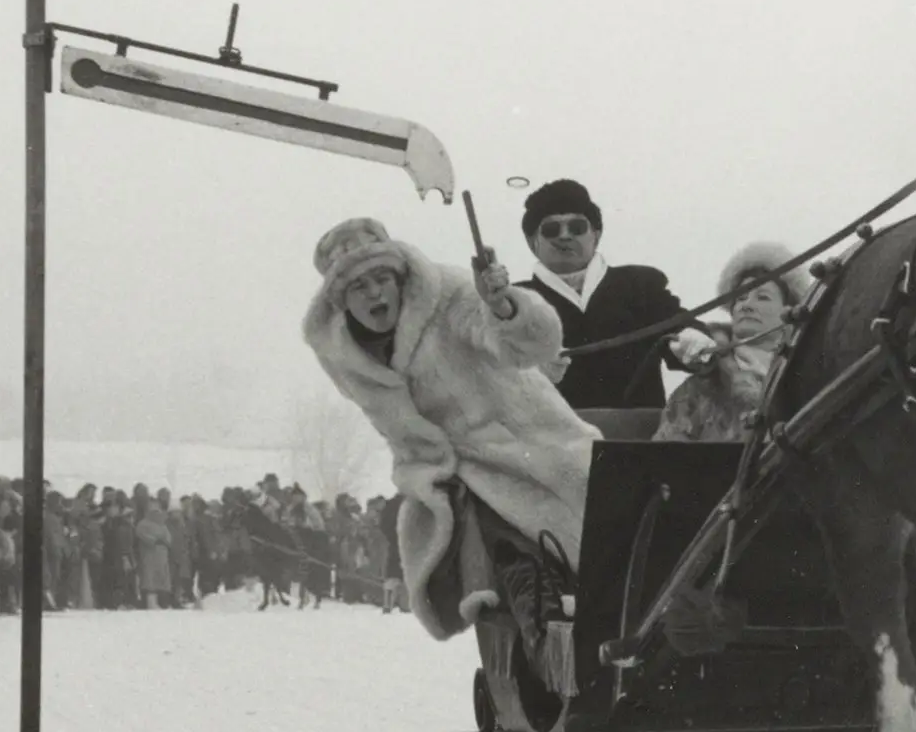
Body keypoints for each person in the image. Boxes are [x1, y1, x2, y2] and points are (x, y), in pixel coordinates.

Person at [302, 217, 597, 645]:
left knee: (544, 533)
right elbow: (395, 431)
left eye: (381, 278)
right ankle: (537, 634)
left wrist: (502, 306)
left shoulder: (449, 294)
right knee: (473, 539)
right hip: (450, 477)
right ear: (341, 300)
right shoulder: (344, 355)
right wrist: (424, 473)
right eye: (357, 288)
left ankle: (552, 627)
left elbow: (533, 346)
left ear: (400, 279)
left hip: (530, 445)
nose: (374, 293)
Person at [515, 179, 711, 411]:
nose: (565, 236)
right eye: (551, 229)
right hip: (549, 437)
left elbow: (680, 327)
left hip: (635, 437)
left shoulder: (640, 285)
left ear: (596, 235)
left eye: (577, 227)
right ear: (532, 242)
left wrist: (693, 341)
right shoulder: (514, 299)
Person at [655, 243, 813, 442]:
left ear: (788, 310)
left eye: (762, 297)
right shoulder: (702, 385)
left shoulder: (809, 375)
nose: (746, 305)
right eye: (740, 298)